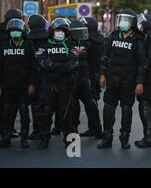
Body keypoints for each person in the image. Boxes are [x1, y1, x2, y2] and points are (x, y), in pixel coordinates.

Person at [97, 9, 146, 149]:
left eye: (127, 20)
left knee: (126, 109)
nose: (123, 23)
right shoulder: (114, 36)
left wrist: (140, 83)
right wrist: (102, 74)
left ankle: (124, 138)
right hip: (112, 79)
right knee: (108, 108)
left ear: (133, 22)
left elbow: (142, 63)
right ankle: (107, 138)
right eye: (122, 19)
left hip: (128, 81)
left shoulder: (138, 40)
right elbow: (105, 57)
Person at [36, 18, 79, 149]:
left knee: (65, 113)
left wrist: (61, 68)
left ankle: (68, 138)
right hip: (49, 84)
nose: (60, 33)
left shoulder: (69, 45)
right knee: (47, 112)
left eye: (62, 31)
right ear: (52, 31)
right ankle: (44, 138)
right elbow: (41, 61)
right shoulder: (44, 45)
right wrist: (56, 66)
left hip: (64, 85)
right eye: (57, 30)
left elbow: (74, 62)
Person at [0, 18, 36, 148]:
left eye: (17, 31)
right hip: (7, 86)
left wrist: (32, 84)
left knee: (24, 111)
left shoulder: (28, 45)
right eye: (13, 31)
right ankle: (5, 136)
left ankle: (24, 138)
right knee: (6, 112)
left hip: (23, 86)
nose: (15, 33)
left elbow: (33, 67)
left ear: (22, 32)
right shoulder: (3, 46)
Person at [69, 19, 102, 138]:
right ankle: (74, 130)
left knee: (90, 103)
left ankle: (96, 129)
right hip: (74, 79)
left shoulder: (87, 43)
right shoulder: (67, 43)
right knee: (75, 105)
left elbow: (93, 61)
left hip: (84, 78)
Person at [134, 12, 151, 148]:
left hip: (149, 80)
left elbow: (146, 62)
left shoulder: (150, 41)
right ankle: (149, 136)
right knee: (149, 106)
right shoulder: (149, 39)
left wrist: (140, 81)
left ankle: (149, 138)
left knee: (145, 106)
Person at [26, 14, 50, 140]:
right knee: (46, 104)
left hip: (33, 75)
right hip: (47, 74)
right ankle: (45, 130)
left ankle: (37, 130)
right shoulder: (48, 38)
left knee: (35, 104)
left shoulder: (28, 39)